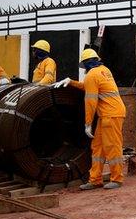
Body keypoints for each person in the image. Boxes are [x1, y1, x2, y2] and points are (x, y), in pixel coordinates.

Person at [54, 49, 126, 190]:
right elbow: (89, 87)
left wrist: (87, 123)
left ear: (86, 64)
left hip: (110, 115)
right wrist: (71, 82)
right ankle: (95, 179)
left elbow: (90, 101)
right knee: (97, 147)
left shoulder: (92, 75)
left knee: (112, 147)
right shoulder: (104, 70)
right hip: (110, 114)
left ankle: (117, 179)